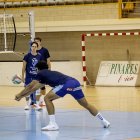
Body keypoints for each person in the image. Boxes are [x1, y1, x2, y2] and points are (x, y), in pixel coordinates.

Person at [15, 61, 110, 131]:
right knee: (86, 104)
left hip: (65, 84)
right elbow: (33, 89)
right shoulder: (48, 74)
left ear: (38, 69)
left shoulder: (40, 73)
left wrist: (18, 94)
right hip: (75, 82)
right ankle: (104, 121)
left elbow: (30, 86)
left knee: (47, 98)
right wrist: (21, 96)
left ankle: (53, 124)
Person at [22, 42, 43, 110]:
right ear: (30, 47)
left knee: (37, 91)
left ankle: (36, 104)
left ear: (37, 48)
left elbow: (41, 67)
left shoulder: (39, 56)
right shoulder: (27, 56)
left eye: (35, 46)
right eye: (32, 46)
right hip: (28, 77)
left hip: (37, 77)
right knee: (27, 91)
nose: (33, 48)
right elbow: (23, 67)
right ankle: (27, 104)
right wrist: (22, 77)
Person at [34, 37, 51, 106]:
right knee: (35, 85)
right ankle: (34, 101)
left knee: (42, 86)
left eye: (38, 41)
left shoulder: (45, 50)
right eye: (35, 41)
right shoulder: (33, 50)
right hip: (35, 70)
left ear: (40, 42)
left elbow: (48, 60)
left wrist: (49, 68)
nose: (36, 42)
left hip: (43, 70)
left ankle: (42, 99)